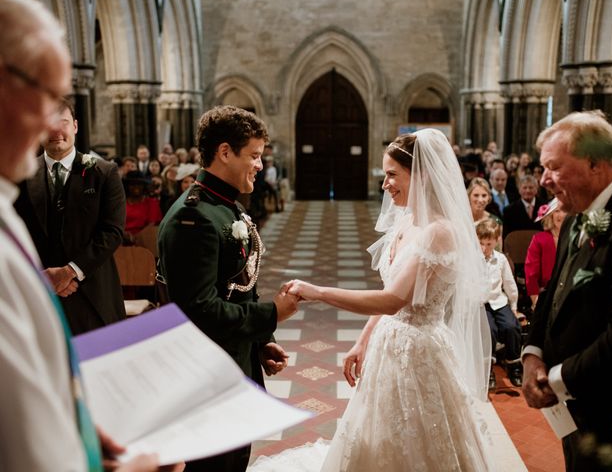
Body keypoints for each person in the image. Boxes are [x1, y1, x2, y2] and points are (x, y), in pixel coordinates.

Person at [0, 0, 182, 470]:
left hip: (89, 291)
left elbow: (111, 229)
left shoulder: (97, 173)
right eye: (44, 97)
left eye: (61, 113)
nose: (51, 125)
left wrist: (81, 433)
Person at [252, 129, 493, 471]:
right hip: (388, 345)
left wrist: (318, 292)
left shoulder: (440, 232)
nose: (384, 185)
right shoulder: (408, 221)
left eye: (393, 175)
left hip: (420, 352)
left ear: (421, 174)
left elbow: (391, 299)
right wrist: (363, 341)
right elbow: (392, 296)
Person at [158, 105, 299, 472]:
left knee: (235, 461)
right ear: (224, 152)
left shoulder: (223, 206)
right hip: (206, 378)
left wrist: (260, 340)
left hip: (234, 362)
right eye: (253, 155)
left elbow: (237, 288)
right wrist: (272, 313)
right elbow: (200, 309)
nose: (259, 164)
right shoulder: (195, 218)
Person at [522, 110, 612, 471]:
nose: (544, 180)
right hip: (575, 407)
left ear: (595, 163)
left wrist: (555, 379)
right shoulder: (575, 215)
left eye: (554, 167)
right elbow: (554, 290)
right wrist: (531, 353)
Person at [15, 98, 126, 335]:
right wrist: (43, 277)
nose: (56, 130)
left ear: (75, 126)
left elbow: (112, 232)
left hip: (94, 295)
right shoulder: (22, 175)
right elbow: (14, 234)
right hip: (41, 296)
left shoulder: (104, 173)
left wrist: (69, 272)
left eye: (62, 122)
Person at [476, 218, 522, 388]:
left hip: (499, 301)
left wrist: (514, 306)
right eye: (481, 243)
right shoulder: (473, 259)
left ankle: (513, 365)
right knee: (489, 330)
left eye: (488, 244)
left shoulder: (501, 259)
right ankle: (488, 370)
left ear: (496, 241)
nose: (484, 248)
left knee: (511, 327)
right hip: (481, 303)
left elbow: (509, 284)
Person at [524, 204, 567, 309]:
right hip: (546, 295)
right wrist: (535, 301)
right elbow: (531, 274)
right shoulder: (539, 239)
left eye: (564, 210)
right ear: (551, 215)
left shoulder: (575, 238)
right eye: (556, 211)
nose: (561, 215)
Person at [123, 170, 162, 239]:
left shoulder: (152, 203)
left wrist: (135, 237)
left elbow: (151, 225)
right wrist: (124, 235)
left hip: (145, 239)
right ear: (127, 186)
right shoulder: (121, 203)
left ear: (144, 186)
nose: (136, 187)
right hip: (121, 239)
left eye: (139, 184)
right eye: (132, 184)